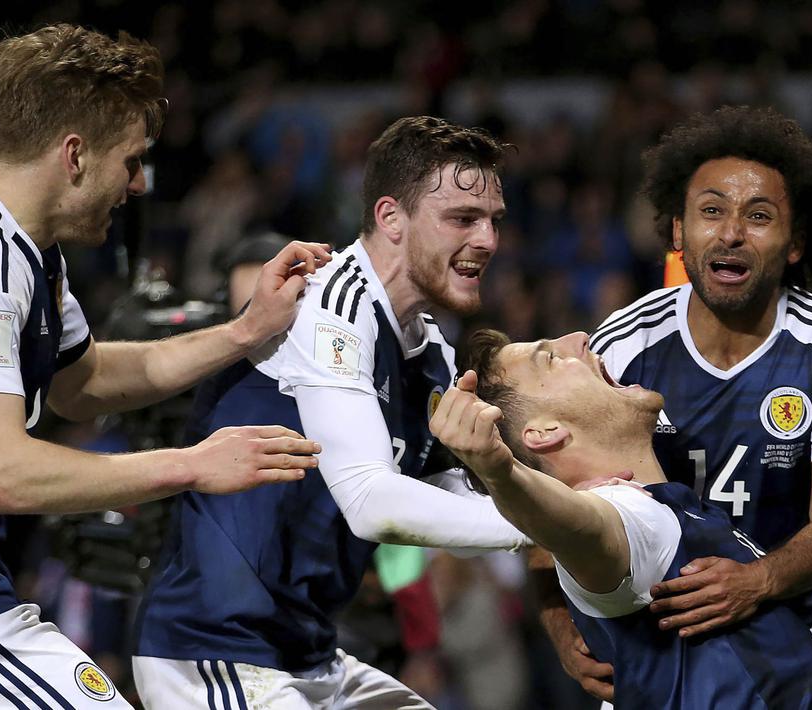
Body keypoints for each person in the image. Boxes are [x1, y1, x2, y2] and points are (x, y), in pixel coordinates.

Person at [0, 24, 331, 709]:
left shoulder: (21, 248)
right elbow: (2, 472)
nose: (138, 182)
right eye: (132, 159)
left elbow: (84, 384)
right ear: (74, 155)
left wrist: (245, 329)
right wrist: (192, 465)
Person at [133, 116, 530, 709]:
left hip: (312, 657)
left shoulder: (431, 352)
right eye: (463, 219)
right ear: (390, 218)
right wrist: (547, 525)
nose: (488, 241)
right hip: (216, 655)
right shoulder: (327, 303)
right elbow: (373, 504)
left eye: (493, 221)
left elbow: (438, 499)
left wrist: (541, 498)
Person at [538, 105, 812, 709]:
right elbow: (551, 497)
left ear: (795, 244)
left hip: (811, 620)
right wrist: (559, 625)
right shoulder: (621, 346)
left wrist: (758, 581)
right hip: (665, 636)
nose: (731, 233)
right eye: (711, 211)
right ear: (679, 232)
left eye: (758, 217)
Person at [430, 329, 812, 709]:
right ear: (545, 432)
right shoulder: (629, 517)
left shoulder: (665, 505)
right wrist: (500, 470)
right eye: (551, 358)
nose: (580, 337)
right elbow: (571, 525)